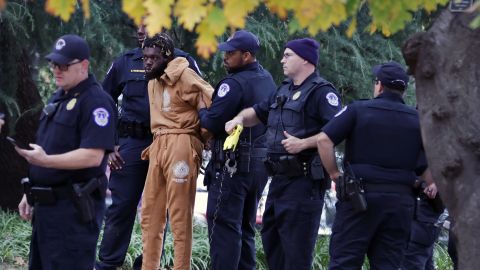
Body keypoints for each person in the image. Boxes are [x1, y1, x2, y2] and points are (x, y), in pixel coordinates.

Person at [225, 38, 342, 270]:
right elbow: (257, 112)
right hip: (278, 181)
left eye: (288, 55)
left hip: (305, 183)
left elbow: (337, 132)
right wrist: (238, 119)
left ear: (306, 59)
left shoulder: (322, 92)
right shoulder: (283, 89)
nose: (282, 60)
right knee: (272, 243)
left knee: (296, 253)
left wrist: (304, 143)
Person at [96, 23, 201, 270]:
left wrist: (195, 142)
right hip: (131, 143)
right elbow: (103, 98)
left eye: (147, 23)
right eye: (138, 24)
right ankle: (109, 263)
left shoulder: (183, 62)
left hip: (170, 142)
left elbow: (201, 99)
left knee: (163, 207)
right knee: (121, 205)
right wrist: (109, 143)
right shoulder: (126, 60)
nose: (140, 30)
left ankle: (148, 263)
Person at [316, 61, 438, 269]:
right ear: (403, 90)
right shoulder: (418, 120)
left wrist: (336, 175)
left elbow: (323, 140)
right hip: (400, 203)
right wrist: (430, 183)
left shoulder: (358, 110)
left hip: (359, 199)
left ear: (379, 85)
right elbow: (432, 162)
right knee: (388, 264)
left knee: (345, 262)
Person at [15, 34, 116, 269]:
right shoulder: (58, 97)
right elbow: (48, 147)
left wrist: (46, 161)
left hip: (72, 213)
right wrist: (31, 189)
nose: (56, 70)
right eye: (53, 64)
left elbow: (93, 156)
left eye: (63, 65)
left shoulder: (96, 102)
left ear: (83, 65)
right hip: (46, 211)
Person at [200, 30, 276, 269]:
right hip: (258, 165)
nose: (225, 57)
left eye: (231, 53)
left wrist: (201, 108)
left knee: (223, 224)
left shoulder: (233, 84)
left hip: (233, 166)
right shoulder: (267, 78)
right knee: (244, 227)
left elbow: (212, 122)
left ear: (246, 56)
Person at [140, 33, 213, 270]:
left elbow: (213, 101)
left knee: (180, 217)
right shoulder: (152, 80)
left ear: (167, 57)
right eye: (145, 57)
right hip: (157, 143)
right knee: (150, 216)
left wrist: (203, 137)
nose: (148, 62)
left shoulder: (185, 74)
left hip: (182, 143)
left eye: (154, 57)